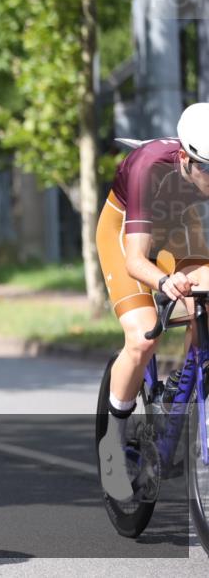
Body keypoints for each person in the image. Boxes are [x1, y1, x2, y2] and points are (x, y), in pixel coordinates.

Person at [96, 102, 209, 500]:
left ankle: (183, 381)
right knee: (143, 337)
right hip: (126, 231)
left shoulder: (201, 174)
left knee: (204, 300)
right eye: (207, 169)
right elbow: (134, 259)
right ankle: (112, 442)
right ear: (185, 158)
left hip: (180, 224)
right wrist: (165, 281)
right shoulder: (150, 170)